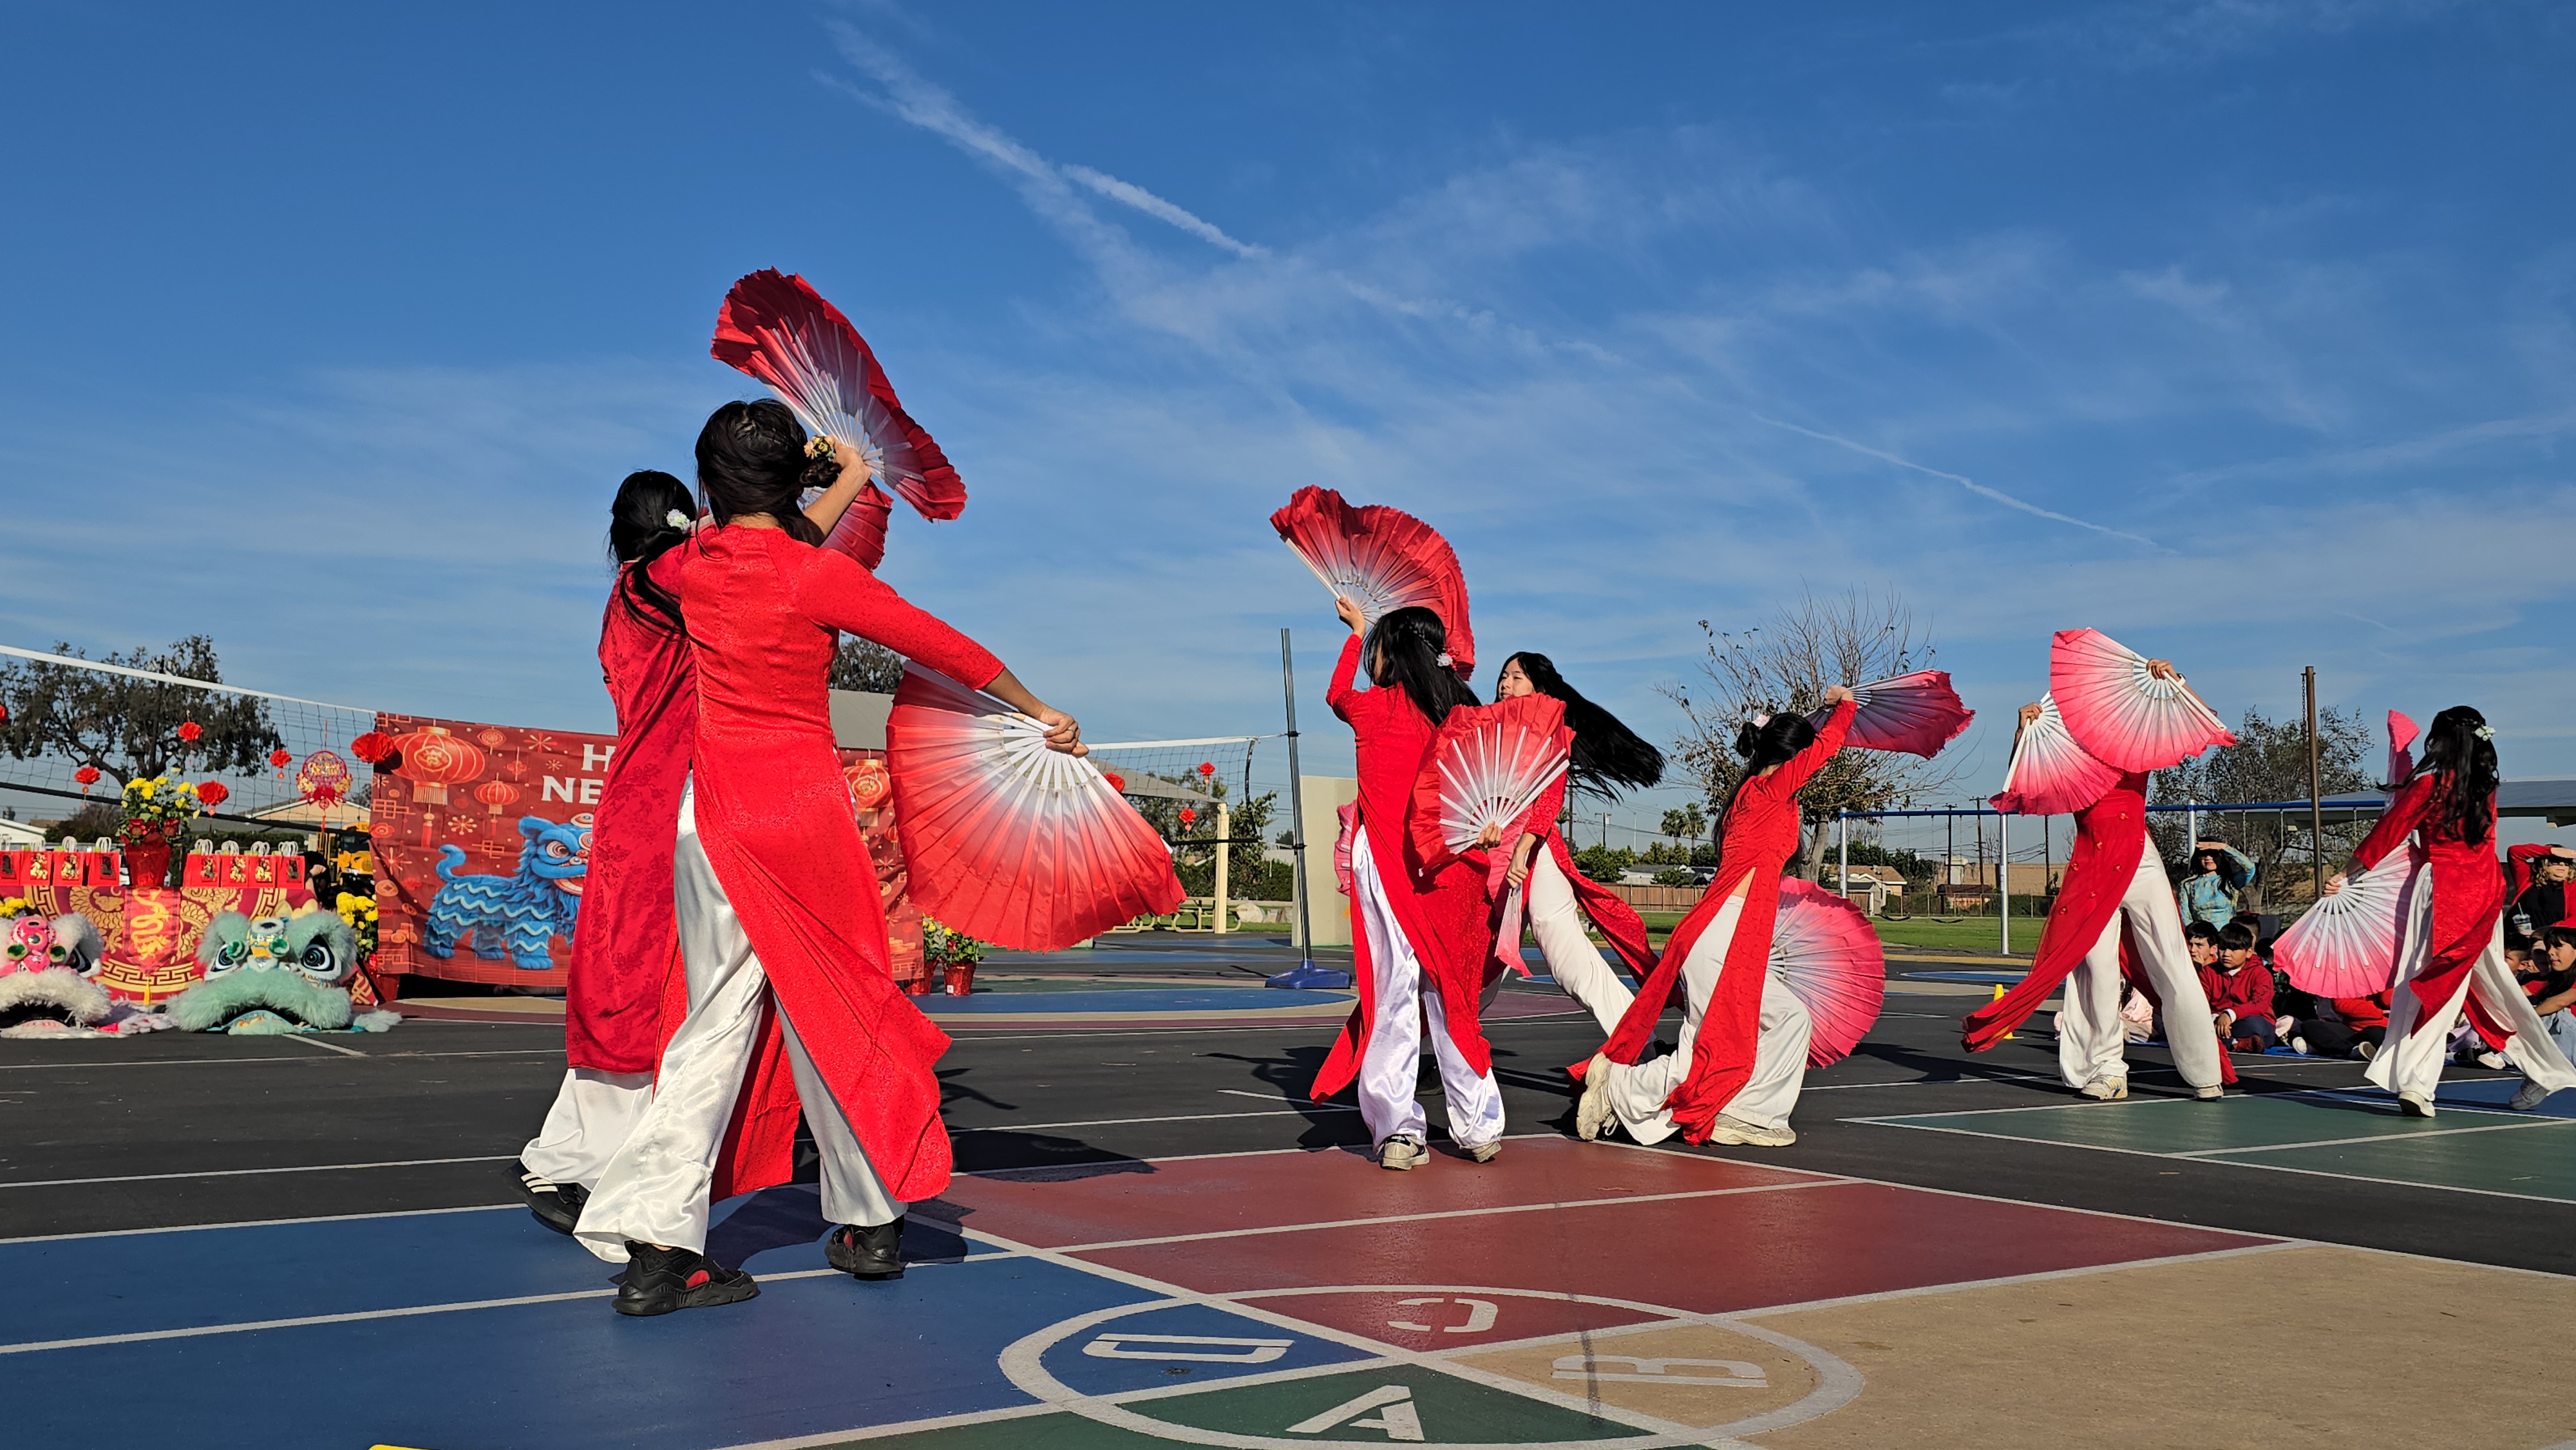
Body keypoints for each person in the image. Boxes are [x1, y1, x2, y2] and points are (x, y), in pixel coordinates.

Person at [574, 400, 1084, 1313]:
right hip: (804, 815)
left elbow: (745, 548)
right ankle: (873, 1221)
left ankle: (660, 1249)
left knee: (712, 1026)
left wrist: (831, 479)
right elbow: (942, 645)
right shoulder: (817, 577)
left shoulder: (681, 567)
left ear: (705, 484)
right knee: (838, 1010)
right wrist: (1039, 709)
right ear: (792, 481)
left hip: (713, 817)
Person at [516, 466, 875, 1236]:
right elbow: (784, 548)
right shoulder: (671, 576)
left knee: (628, 985)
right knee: (669, 992)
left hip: (639, 797)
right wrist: (847, 477)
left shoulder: (627, 588)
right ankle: (601, 1169)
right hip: (678, 798)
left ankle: (571, 1156)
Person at [1573, 689, 1856, 1149]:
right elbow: (1825, 750)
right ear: (1792, 758)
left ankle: (1748, 1113)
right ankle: (1617, 1088)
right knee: (1705, 1050)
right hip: (1719, 936)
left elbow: (1808, 760)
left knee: (1790, 1020)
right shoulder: (1767, 790)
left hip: (1734, 938)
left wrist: (1815, 719)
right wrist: (1845, 708)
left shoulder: (1764, 795)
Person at [1964, 679, 2230, 1102]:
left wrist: (2177, 682)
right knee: (2097, 975)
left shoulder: (2137, 743)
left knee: (2174, 965)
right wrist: (2023, 734)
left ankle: (2204, 1073)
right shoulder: (2067, 753)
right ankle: (2107, 1070)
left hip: (2140, 862)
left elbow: (2202, 723)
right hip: (2092, 867)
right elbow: (2021, 786)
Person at [1309, 601, 1505, 1170]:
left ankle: (1399, 1129)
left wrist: (1355, 633)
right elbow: (1493, 789)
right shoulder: (1468, 714)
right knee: (1451, 993)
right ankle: (1476, 1125)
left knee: (1395, 991)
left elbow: (1335, 695)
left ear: (1389, 652)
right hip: (1450, 865)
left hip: (1408, 862)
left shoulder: (1374, 709)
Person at [2327, 705, 2576, 1117]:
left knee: (2434, 985)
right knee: (2486, 989)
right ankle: (2544, 1068)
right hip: (2482, 892)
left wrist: (2346, 874)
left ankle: (2418, 1083)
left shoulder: (2430, 786)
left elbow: (2386, 834)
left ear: (2441, 741)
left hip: (2443, 892)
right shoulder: (2485, 790)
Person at [1488, 652, 1663, 1031]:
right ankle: (1447, 1053)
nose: (1506, 683)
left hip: (1537, 854)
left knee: (1566, 955)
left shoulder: (1547, 728)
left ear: (1539, 686)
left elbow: (1550, 793)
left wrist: (1526, 843)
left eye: (1517, 677)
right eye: (1503, 676)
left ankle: (1634, 1041)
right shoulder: (1488, 729)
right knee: (1485, 964)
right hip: (1497, 859)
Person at [2512, 926, 2576, 1108]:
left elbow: (2562, 1001)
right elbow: (2513, 995)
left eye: (2557, 947)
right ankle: (2546, 1073)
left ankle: (2505, 1057)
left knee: (2556, 1012)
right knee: (2518, 1104)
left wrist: (2527, 1017)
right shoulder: (2551, 980)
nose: (2551, 953)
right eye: (2549, 948)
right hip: (2567, 1047)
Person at [2204, 919, 2276, 1052]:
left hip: (2249, 1021)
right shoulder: (2208, 972)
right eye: (2223, 948)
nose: (2226, 954)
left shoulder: (2261, 974)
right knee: (2197, 1024)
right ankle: (2236, 1044)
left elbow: (2258, 1005)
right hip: (2215, 1021)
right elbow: (2201, 1002)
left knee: (2254, 1025)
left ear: (2249, 952)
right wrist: (2216, 1018)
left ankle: (2228, 1041)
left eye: (2234, 949)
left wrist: (2229, 1015)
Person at [2505, 844, 2576, 952]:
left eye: (2567, 863)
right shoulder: (2528, 879)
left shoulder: (2572, 887)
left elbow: (2574, 919)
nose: (2562, 865)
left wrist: (2543, 932)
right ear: (2544, 864)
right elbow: (2514, 852)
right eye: (2555, 861)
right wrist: (2550, 850)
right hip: (2514, 943)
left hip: (2546, 944)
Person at [2282, 989, 2391, 1059]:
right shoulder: (2351, 978)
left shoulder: (2394, 976)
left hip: (2382, 1029)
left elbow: (2388, 1001)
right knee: (2310, 1025)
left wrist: (2383, 985)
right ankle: (2352, 1050)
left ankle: (2321, 1048)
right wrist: (2378, 1012)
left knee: (2376, 1034)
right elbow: (2342, 1005)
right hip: (2352, 1030)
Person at [2176, 840, 2255, 930]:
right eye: (2204, 855)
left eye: (2213, 854)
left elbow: (2250, 868)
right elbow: (2185, 917)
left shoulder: (2230, 881)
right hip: (2203, 937)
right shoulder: (2187, 885)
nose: (2209, 858)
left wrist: (2225, 847)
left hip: (2227, 936)